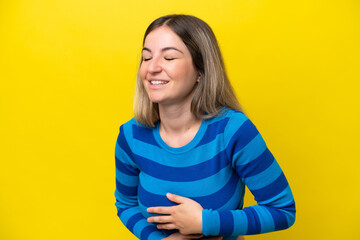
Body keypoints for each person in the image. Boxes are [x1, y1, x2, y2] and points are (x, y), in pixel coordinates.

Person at [114, 14, 296, 240]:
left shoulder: (233, 131)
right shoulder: (131, 136)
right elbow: (126, 204)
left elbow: (282, 210)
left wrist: (205, 222)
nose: (152, 68)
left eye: (169, 57)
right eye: (146, 57)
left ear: (201, 70)